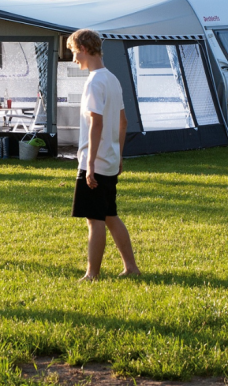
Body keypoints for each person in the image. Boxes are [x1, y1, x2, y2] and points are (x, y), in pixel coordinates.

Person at [67, 29, 140, 281]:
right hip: (109, 161)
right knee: (110, 215)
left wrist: (89, 165)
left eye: (73, 52)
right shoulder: (112, 79)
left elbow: (96, 124)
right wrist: (118, 156)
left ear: (84, 49)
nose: (73, 58)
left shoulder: (94, 82)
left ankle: (92, 274)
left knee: (94, 220)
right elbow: (123, 122)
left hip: (95, 164)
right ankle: (131, 267)